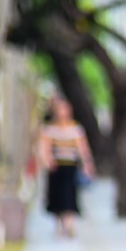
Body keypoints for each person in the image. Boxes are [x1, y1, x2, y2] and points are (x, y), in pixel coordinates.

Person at [37, 95, 95, 238]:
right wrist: (47, 160)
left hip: (71, 166)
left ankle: (69, 225)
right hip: (56, 167)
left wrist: (87, 163)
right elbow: (44, 147)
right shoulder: (50, 129)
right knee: (56, 196)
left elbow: (82, 148)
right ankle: (58, 223)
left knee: (70, 196)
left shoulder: (76, 129)